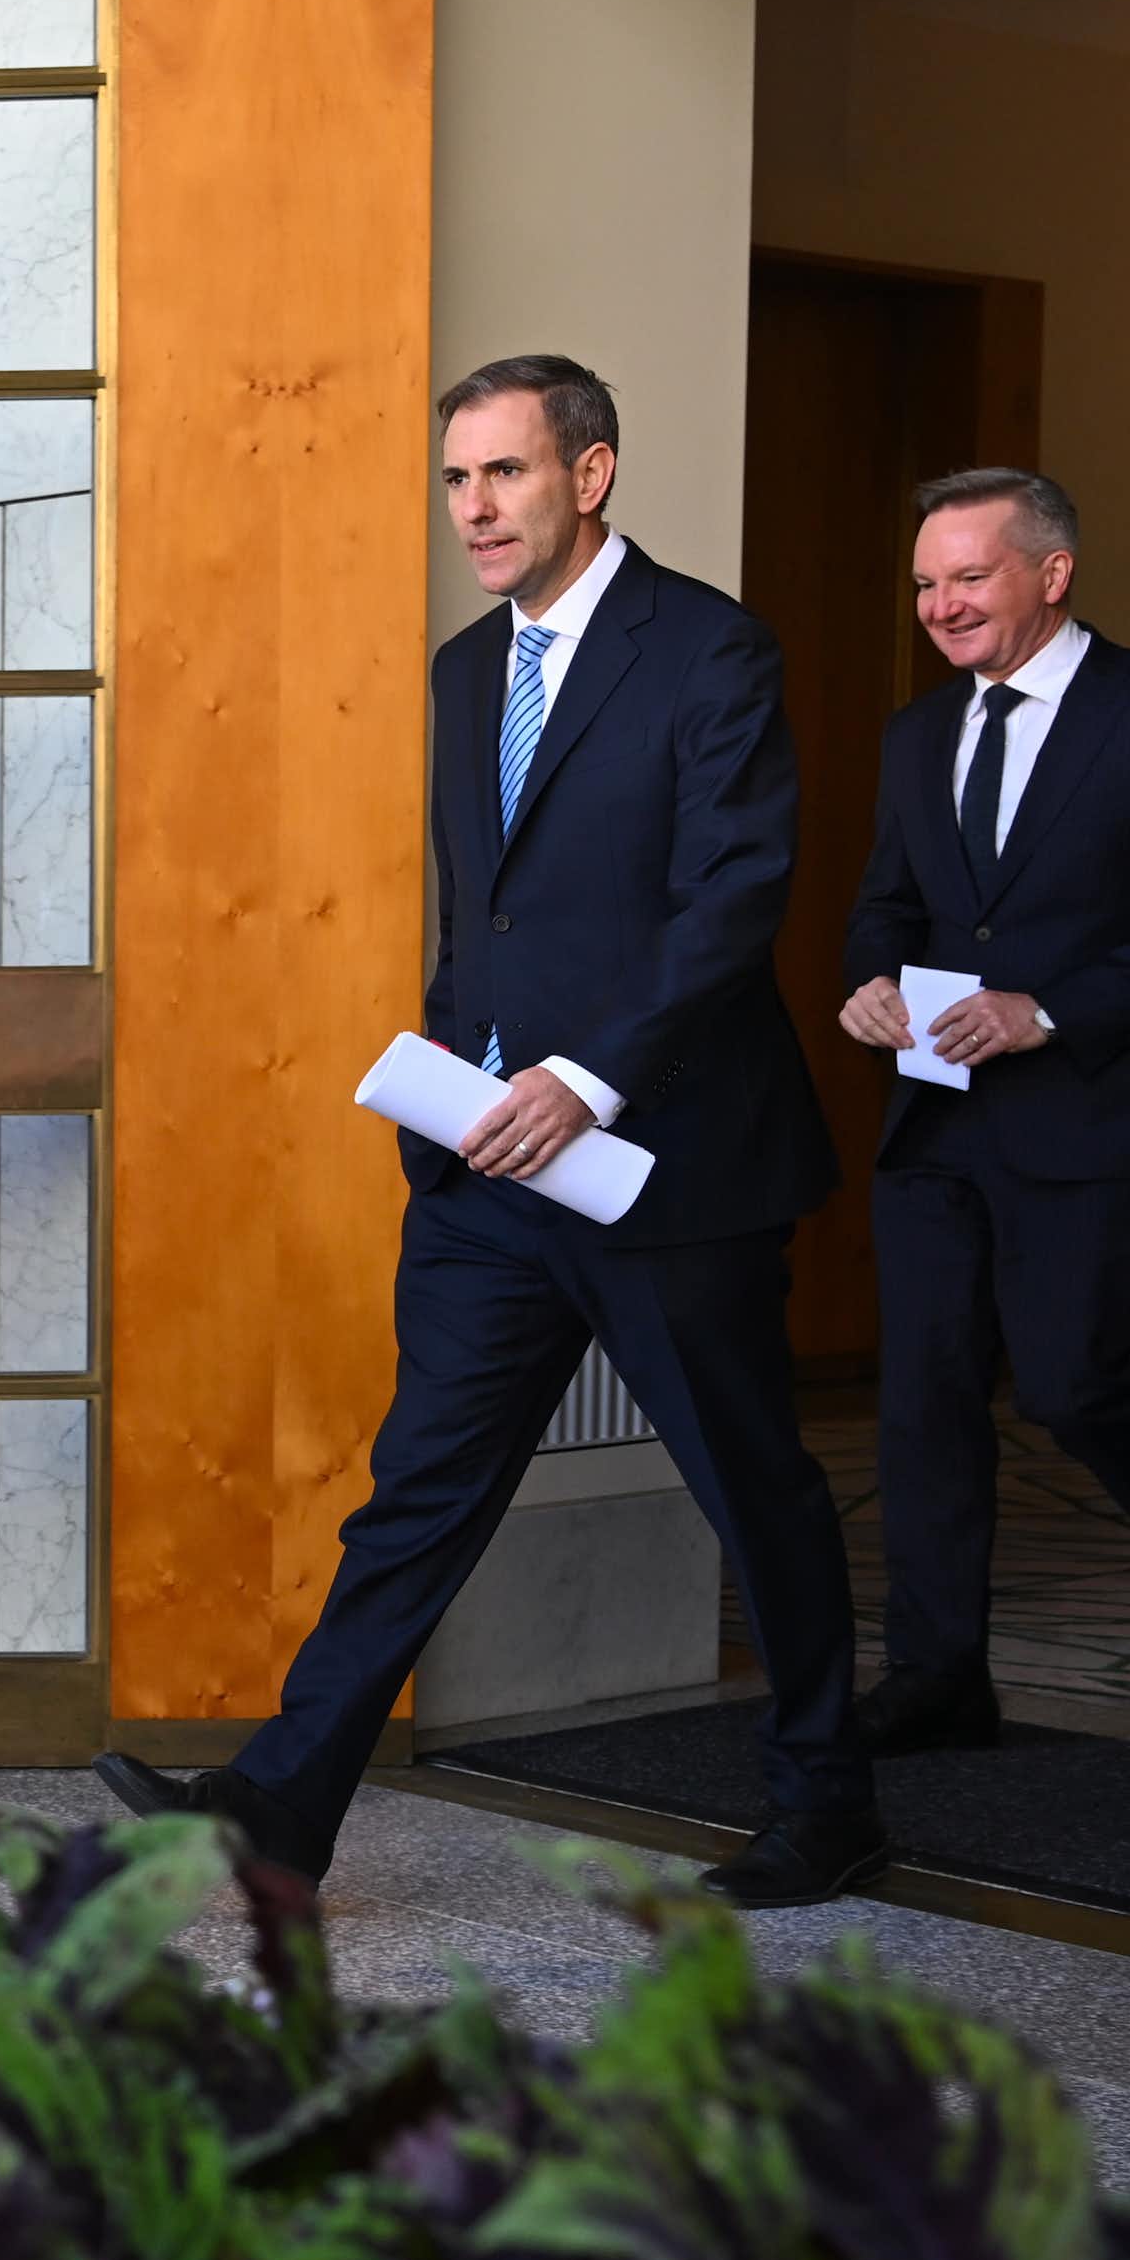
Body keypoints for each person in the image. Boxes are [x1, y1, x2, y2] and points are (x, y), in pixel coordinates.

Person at [94, 354, 883, 1907]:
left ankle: (830, 1803)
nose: (475, 508)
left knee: (753, 1491)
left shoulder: (715, 653)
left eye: (505, 474)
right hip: (485, 1176)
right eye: (457, 480)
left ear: (589, 476)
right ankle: (282, 1812)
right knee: (421, 1494)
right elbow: (490, 915)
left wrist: (583, 1080)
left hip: (667, 1168)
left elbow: (729, 907)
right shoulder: (468, 668)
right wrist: (455, 1084)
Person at [840, 469, 1130, 1753]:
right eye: (925, 583)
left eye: (967, 577)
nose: (939, 605)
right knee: (923, 1399)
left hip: (1087, 1114)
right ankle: (938, 1678)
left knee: (1073, 1384)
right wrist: (867, 981)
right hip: (934, 1119)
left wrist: (1051, 1010)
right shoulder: (915, 734)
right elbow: (887, 902)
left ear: (1052, 571)